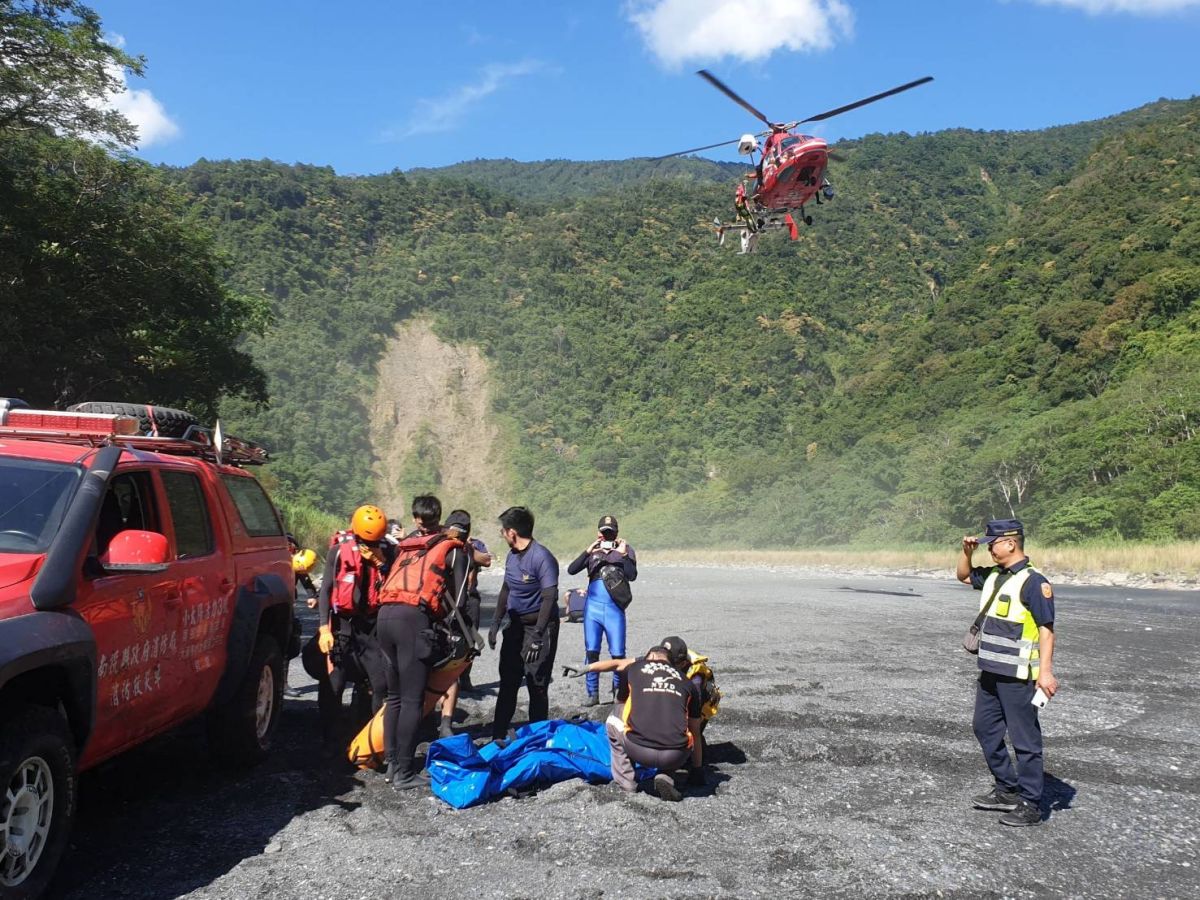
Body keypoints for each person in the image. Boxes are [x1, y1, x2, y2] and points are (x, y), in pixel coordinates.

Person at [957, 518, 1059, 827]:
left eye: (993, 544)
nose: (989, 549)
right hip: (990, 670)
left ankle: (1031, 803)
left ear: (1011, 543)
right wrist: (966, 552)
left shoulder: (1034, 582)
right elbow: (963, 576)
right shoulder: (994, 575)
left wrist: (1045, 673)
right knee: (984, 728)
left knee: (1025, 740)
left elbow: (1047, 631)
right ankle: (1006, 789)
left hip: (1018, 675)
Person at [375, 495, 469, 789]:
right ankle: (405, 773)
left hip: (384, 617)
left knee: (394, 697)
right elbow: (460, 601)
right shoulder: (452, 549)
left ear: (416, 518)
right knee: (412, 700)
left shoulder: (406, 546)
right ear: (439, 517)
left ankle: (391, 763)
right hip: (411, 620)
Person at [564, 638, 705, 802]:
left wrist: (588, 668)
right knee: (679, 727)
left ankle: (627, 783)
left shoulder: (635, 668)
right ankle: (666, 774)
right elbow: (696, 732)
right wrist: (697, 770)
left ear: (651, 656)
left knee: (614, 718)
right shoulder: (688, 682)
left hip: (639, 750)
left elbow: (621, 701)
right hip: (675, 755)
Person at [307, 505, 391, 746]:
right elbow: (326, 591)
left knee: (380, 683)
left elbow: (396, 582)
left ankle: (370, 739)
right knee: (334, 682)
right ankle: (330, 738)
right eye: (367, 541)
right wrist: (324, 628)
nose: (370, 545)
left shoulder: (388, 550)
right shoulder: (338, 551)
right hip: (341, 627)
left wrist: (381, 563)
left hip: (371, 628)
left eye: (374, 541)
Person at [488, 506, 559, 742]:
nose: (502, 535)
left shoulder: (542, 557)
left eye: (503, 531)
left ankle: (537, 739)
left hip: (539, 626)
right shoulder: (512, 556)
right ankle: (497, 736)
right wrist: (496, 623)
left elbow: (549, 597)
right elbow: (506, 589)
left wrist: (538, 636)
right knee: (508, 682)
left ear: (512, 532)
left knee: (536, 683)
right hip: (515, 626)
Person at [567, 514, 638, 707]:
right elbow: (571, 570)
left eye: (611, 532)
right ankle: (593, 695)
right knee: (591, 651)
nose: (607, 536)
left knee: (618, 653)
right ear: (599, 533)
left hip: (614, 609)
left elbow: (632, 575)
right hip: (593, 609)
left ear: (617, 532)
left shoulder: (626, 550)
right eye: (604, 532)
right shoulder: (593, 552)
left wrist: (624, 555)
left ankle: (618, 693)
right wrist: (588, 551)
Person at [450, 508, 492, 692]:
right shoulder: (447, 544)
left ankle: (465, 677)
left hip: (471, 596)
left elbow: (486, 560)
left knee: (471, 639)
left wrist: (467, 547)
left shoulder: (475, 544)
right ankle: (450, 679)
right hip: (451, 598)